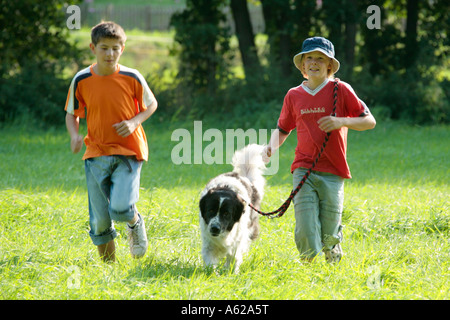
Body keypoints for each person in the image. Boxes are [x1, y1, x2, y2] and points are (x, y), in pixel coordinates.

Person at [263, 37, 376, 263]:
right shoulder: (293, 95)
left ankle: (332, 267)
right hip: (303, 170)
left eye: (320, 58)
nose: (314, 62)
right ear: (303, 66)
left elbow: (369, 121)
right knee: (305, 227)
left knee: (329, 233)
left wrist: (341, 121)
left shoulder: (341, 89)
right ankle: (308, 269)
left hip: (334, 172)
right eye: (309, 58)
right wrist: (269, 149)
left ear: (329, 65)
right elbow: (283, 128)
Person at [65, 21, 158, 262]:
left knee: (120, 208)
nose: (110, 53)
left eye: (115, 48)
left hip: (129, 152)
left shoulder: (132, 76)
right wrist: (75, 135)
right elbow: (72, 113)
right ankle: (109, 271)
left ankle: (135, 223)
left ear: (123, 49)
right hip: (95, 153)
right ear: (93, 48)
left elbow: (151, 104)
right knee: (100, 219)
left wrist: (134, 121)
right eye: (104, 48)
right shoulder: (82, 79)